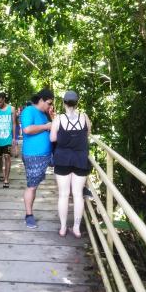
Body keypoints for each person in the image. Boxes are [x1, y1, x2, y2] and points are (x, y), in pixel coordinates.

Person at [50, 91, 91, 238]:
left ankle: (62, 228)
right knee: (78, 194)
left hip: (62, 159)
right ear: (77, 103)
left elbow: (53, 138)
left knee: (63, 195)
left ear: (64, 103)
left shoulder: (58, 119)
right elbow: (87, 134)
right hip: (80, 159)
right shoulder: (84, 117)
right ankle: (77, 228)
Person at [20, 89, 54, 229]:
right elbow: (27, 130)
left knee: (67, 166)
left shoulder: (45, 113)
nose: (49, 106)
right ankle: (29, 215)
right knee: (32, 186)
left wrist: (51, 117)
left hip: (49, 154)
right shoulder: (29, 111)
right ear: (40, 100)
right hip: (34, 155)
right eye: (48, 103)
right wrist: (46, 126)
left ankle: (80, 188)